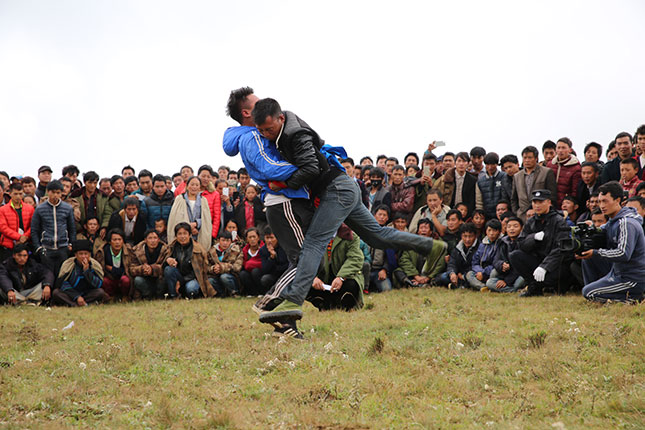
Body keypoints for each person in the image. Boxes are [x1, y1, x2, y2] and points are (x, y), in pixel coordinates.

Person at [251, 98, 435, 334]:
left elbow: (309, 169)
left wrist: (283, 183)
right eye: (262, 130)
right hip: (336, 192)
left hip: (337, 192)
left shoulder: (294, 135)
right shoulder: (276, 133)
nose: (266, 134)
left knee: (313, 246)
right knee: (376, 235)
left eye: (269, 129)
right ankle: (432, 246)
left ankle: (290, 304)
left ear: (281, 119)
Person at [579, 181, 645, 303]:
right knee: (588, 259)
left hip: (632, 279)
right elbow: (599, 233)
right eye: (599, 201)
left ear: (617, 200)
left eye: (605, 201)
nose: (601, 206)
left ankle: (635, 299)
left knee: (589, 292)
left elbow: (624, 254)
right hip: (617, 273)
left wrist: (596, 253)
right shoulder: (612, 221)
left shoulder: (626, 223)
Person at [510, 189, 570, 297]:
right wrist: (533, 238)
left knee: (549, 277)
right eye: (534, 202)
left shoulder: (559, 221)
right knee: (515, 255)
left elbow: (561, 248)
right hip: (537, 260)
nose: (537, 205)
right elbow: (521, 243)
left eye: (541, 202)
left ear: (549, 202)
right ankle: (534, 288)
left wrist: (544, 267)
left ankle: (546, 286)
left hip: (555, 265)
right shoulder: (531, 221)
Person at [306, 223, 364, 314]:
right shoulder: (313, 236)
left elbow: (355, 258)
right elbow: (305, 258)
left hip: (344, 277)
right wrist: (313, 277)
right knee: (304, 282)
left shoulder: (350, 234)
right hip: (322, 279)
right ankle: (323, 304)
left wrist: (341, 277)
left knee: (351, 285)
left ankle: (344, 305)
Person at [31, 180, 76, 276]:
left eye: (58, 192)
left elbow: (72, 228)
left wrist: (71, 244)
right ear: (48, 192)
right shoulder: (40, 209)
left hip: (63, 247)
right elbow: (34, 230)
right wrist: (38, 248)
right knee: (48, 275)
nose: (55, 195)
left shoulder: (67, 208)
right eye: (53, 192)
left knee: (62, 275)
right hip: (46, 248)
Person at [163, 222, 215, 299]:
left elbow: (200, 271)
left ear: (190, 235)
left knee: (191, 289)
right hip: (177, 277)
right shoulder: (172, 247)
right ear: (176, 236)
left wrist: (181, 282)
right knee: (168, 270)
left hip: (192, 278)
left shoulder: (198, 250)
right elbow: (162, 266)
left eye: (185, 233)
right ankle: (173, 296)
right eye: (179, 234)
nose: (182, 236)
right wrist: (167, 260)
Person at [52, 240, 107, 307]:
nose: (83, 256)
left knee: (100, 292)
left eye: (86, 254)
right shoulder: (69, 265)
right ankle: (75, 304)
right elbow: (63, 283)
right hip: (72, 294)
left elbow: (98, 284)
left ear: (89, 255)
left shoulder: (94, 265)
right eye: (81, 254)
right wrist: (77, 297)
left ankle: (78, 303)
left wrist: (87, 271)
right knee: (56, 293)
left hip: (87, 294)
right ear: (76, 255)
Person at [394, 219, 448, 287]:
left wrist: (428, 277)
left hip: (431, 275)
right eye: (421, 228)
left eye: (426, 228)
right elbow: (404, 260)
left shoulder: (439, 244)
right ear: (418, 231)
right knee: (398, 271)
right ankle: (411, 283)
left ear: (431, 231)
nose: (423, 230)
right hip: (414, 274)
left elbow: (441, 264)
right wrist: (416, 276)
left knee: (443, 276)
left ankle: (428, 283)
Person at [511, 146, 558, 221]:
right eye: (525, 158)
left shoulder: (546, 172)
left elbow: (552, 195)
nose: (527, 160)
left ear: (536, 158)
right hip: (522, 216)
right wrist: (517, 213)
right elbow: (514, 198)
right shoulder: (517, 176)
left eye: (530, 158)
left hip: (542, 215)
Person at [167, 176, 213, 253]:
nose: (194, 187)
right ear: (187, 186)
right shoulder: (180, 199)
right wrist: (189, 228)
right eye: (192, 184)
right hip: (183, 232)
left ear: (200, 187)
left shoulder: (203, 200)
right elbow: (175, 218)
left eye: (197, 185)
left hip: (198, 233)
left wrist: (196, 224)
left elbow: (206, 219)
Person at [434, 152, 483, 219]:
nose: (461, 164)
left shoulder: (473, 180)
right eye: (459, 161)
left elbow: (473, 201)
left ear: (468, 163)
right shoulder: (446, 178)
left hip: (466, 214)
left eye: (464, 161)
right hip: (448, 211)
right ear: (455, 163)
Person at [486, 216, 526, 292]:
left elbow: (521, 267)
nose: (512, 229)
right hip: (506, 273)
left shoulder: (524, 242)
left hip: (519, 274)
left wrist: (506, 281)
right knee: (490, 282)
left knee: (520, 281)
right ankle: (514, 290)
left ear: (521, 228)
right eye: (509, 226)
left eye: (515, 226)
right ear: (505, 229)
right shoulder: (503, 242)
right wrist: (501, 265)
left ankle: (511, 289)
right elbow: (496, 260)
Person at [435, 223, 480, 288]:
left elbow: (476, 265)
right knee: (443, 276)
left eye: (470, 236)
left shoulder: (480, 247)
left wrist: (463, 275)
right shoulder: (457, 247)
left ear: (475, 236)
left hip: (471, 274)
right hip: (458, 274)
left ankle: (460, 285)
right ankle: (459, 284)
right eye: (465, 236)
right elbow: (452, 263)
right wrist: (452, 273)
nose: (467, 239)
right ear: (461, 236)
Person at [129, 229, 168, 300]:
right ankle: (147, 296)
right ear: (145, 240)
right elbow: (132, 268)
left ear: (159, 239)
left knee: (164, 278)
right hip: (145, 278)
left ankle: (160, 296)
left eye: (155, 238)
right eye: (150, 238)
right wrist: (142, 269)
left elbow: (165, 266)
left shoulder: (166, 250)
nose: (153, 241)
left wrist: (152, 269)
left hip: (159, 278)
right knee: (137, 280)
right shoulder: (136, 250)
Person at [94, 229, 132, 301]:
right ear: (110, 242)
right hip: (110, 278)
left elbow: (130, 269)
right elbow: (100, 270)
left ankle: (125, 297)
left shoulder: (128, 250)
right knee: (104, 281)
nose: (117, 242)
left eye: (119, 239)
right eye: (114, 240)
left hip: (123, 277)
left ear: (123, 241)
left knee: (126, 280)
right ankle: (110, 297)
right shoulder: (102, 252)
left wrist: (112, 269)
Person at [0, 183, 34, 262]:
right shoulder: (2, 210)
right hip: (8, 245)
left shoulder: (30, 208)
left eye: (20, 194)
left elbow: (33, 226)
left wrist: (25, 236)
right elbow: (3, 227)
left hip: (26, 244)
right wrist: (18, 237)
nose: (18, 196)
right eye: (15, 194)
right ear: (10, 193)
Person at [466, 219, 502, 291]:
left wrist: (483, 273)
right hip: (480, 272)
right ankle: (483, 287)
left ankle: (488, 286)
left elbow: (496, 262)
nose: (491, 233)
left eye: (494, 231)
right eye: (489, 230)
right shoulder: (482, 244)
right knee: (469, 274)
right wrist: (479, 271)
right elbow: (475, 261)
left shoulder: (501, 244)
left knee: (494, 272)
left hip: (491, 271)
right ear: (486, 231)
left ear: (499, 232)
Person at [547, 137, 582, 207]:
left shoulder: (576, 168)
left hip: (565, 205)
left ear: (570, 150)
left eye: (563, 148)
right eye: (558, 148)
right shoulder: (550, 164)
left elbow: (574, 191)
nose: (560, 150)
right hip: (550, 204)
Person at [207, 231, 243, 297]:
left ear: (231, 241)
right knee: (210, 280)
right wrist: (214, 268)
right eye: (223, 240)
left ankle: (235, 292)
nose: (225, 243)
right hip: (216, 276)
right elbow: (207, 266)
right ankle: (221, 294)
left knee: (224, 277)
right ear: (218, 241)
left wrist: (222, 267)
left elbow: (237, 267)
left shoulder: (237, 250)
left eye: (227, 241)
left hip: (232, 276)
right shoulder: (211, 251)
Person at [258, 227, 288, 293]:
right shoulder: (263, 250)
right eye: (267, 238)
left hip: (285, 274)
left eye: (272, 238)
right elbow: (265, 269)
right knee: (264, 279)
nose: (269, 241)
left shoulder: (284, 247)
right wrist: (272, 257)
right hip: (273, 276)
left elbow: (286, 265)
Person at [477, 152, 507, 220]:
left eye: (492, 164)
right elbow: (479, 202)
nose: (490, 167)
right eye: (487, 164)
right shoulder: (480, 181)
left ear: (496, 164)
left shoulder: (504, 176)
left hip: (502, 213)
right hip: (487, 214)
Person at [197, 165, 222, 239]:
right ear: (198, 176)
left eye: (208, 177)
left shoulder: (215, 194)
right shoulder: (192, 191)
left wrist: (212, 234)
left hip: (207, 230)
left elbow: (217, 216)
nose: (206, 179)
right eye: (203, 176)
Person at [238, 227, 265, 295]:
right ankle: (251, 293)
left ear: (258, 237)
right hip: (248, 274)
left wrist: (249, 264)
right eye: (250, 237)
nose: (252, 239)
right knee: (243, 274)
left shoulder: (264, 248)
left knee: (255, 271)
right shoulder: (245, 250)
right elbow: (244, 265)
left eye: (254, 237)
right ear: (247, 239)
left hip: (260, 273)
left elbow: (263, 263)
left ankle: (261, 292)